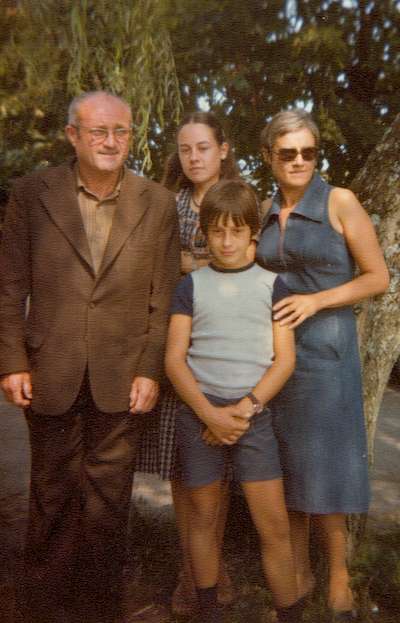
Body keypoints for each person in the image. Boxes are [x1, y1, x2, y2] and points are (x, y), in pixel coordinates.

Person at [0, 91, 180, 623]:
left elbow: (164, 298)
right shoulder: (32, 193)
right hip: (49, 369)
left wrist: (150, 369)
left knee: (108, 503)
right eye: (98, 131)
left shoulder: (157, 202)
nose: (110, 141)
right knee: (51, 494)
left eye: (120, 131)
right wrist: (12, 361)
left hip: (122, 375)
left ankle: (97, 609)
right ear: (72, 135)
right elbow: (9, 286)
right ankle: (40, 608)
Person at [256, 109, 389, 622]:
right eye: (287, 152)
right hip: (276, 357)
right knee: (287, 464)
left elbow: (377, 277)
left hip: (328, 354)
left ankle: (337, 577)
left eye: (308, 152)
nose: (299, 161)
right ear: (269, 156)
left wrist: (317, 300)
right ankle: (298, 572)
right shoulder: (265, 209)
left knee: (328, 466)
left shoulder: (340, 201)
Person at [165, 178, 306, 623]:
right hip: (200, 414)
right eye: (217, 232)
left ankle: (290, 613)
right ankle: (208, 611)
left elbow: (284, 360)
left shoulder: (273, 286)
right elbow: (174, 360)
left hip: (253, 415)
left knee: (274, 526)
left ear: (253, 234)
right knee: (203, 520)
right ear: (203, 233)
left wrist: (243, 410)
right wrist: (209, 414)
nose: (226, 242)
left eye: (237, 231)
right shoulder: (190, 286)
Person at [135, 111, 239, 615]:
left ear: (223, 150)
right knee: (183, 469)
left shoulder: (240, 199)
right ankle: (192, 573)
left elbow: (246, 265)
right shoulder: (166, 204)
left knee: (216, 468)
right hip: (176, 346)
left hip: (227, 347)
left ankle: (211, 572)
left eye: (203, 147)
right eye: (185, 149)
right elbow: (150, 271)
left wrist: (188, 264)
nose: (194, 157)